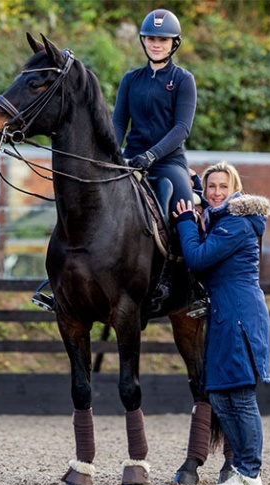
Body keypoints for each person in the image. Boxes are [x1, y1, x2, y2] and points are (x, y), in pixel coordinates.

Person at [172, 161, 270, 485]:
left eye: (222, 187)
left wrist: (186, 221)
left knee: (241, 396)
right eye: (211, 186)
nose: (215, 193)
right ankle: (242, 471)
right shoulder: (222, 216)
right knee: (217, 393)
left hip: (240, 314)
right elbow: (211, 208)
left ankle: (250, 474)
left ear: (235, 191)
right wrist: (195, 185)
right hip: (222, 315)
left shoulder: (238, 222)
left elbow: (198, 258)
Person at [111, 8, 198, 314]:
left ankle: (191, 285)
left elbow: (181, 129)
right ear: (143, 41)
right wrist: (112, 154)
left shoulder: (183, 80)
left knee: (184, 209)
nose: (156, 44)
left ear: (174, 43)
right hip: (130, 160)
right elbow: (119, 124)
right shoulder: (130, 80)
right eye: (151, 38)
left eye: (163, 39)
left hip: (167, 163)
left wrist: (152, 155)